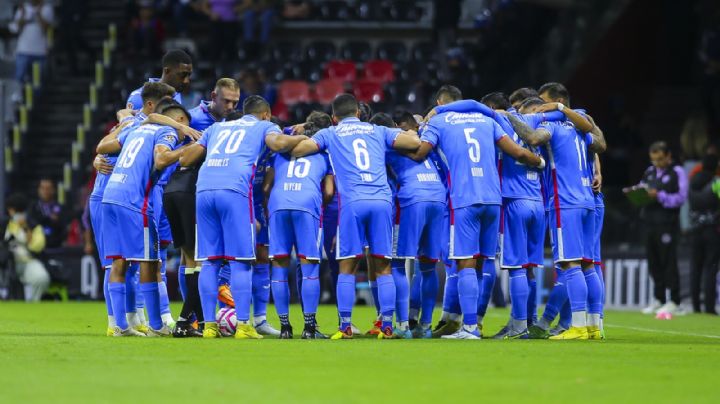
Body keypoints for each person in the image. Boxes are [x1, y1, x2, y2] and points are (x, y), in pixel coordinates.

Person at [406, 85, 545, 340]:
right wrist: (538, 162)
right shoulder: (487, 120)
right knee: (482, 262)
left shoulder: (439, 122)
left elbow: (419, 154)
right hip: (494, 199)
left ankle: (469, 327)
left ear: (441, 102)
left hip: (464, 198)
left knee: (465, 263)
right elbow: (516, 151)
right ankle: (478, 324)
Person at [290, 94, 423, 339]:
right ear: (359, 113)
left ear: (334, 117)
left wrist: (294, 132)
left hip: (353, 203)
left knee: (347, 267)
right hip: (382, 201)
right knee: (383, 266)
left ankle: (346, 327)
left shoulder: (330, 133)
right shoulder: (378, 130)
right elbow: (413, 141)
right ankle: (387, 326)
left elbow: (299, 149)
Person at [180, 95, 307, 339]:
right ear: (266, 114)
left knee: (209, 262)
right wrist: (303, 137)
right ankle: (243, 325)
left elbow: (185, 159)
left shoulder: (216, 127)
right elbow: (279, 143)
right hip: (234, 191)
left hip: (204, 191)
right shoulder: (263, 126)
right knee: (241, 261)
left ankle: (209, 326)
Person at [100, 103, 192, 337]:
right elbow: (161, 160)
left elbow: (104, 147)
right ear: (179, 119)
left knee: (119, 261)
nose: (186, 133)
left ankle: (119, 325)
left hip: (110, 196)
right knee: (150, 262)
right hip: (134, 201)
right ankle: (157, 325)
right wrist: (189, 148)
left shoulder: (136, 129)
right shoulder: (168, 132)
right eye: (187, 127)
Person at [374, 112, 446, 339]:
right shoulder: (428, 144)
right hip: (438, 197)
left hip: (411, 200)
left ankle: (403, 325)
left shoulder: (386, 145)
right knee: (428, 266)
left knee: (396, 264)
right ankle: (424, 326)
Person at [264, 114, 334, 339]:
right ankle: (309, 327)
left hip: (278, 204)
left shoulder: (281, 153)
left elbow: (266, 186)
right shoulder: (325, 154)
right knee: (309, 267)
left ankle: (284, 328)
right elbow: (330, 192)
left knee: (280, 266)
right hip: (306, 205)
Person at [638, 141, 688, 317]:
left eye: (660, 159)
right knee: (654, 262)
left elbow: (681, 197)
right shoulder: (650, 171)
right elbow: (642, 188)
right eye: (654, 159)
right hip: (649, 222)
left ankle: (675, 301)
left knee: (668, 262)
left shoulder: (678, 172)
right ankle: (659, 298)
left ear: (668, 156)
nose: (657, 163)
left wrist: (659, 195)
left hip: (667, 223)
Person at [688, 152, 719, 314]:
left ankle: (695, 307)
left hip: (694, 230)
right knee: (710, 268)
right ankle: (709, 307)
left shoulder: (692, 181)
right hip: (712, 231)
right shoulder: (717, 182)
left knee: (695, 268)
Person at [4, 193, 50, 302]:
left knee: (41, 278)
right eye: (14, 210)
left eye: (20, 211)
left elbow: (37, 247)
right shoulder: (4, 224)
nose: (16, 214)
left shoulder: (34, 226)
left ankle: (33, 304)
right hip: (6, 263)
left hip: (28, 261)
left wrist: (25, 227)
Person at [126, 49, 193, 109]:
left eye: (189, 75)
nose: (186, 81)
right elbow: (129, 122)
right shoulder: (139, 98)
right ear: (167, 71)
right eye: (182, 75)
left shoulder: (176, 95)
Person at [9, 0, 53, 84]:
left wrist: (38, 13)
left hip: (40, 52)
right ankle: (20, 96)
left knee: (38, 81)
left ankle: (37, 97)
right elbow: (16, 29)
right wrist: (23, 15)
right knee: (19, 78)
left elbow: (46, 28)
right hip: (23, 50)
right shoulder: (23, 8)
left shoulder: (47, 8)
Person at [29, 178, 67, 249]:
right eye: (42, 188)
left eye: (48, 188)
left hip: (56, 246)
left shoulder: (59, 207)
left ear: (53, 190)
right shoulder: (33, 207)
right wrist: (48, 218)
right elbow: (32, 223)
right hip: (38, 246)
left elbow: (63, 226)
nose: (45, 191)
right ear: (38, 190)